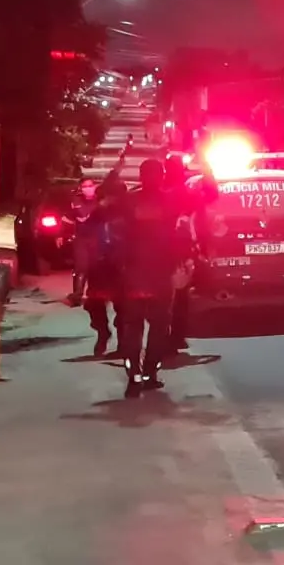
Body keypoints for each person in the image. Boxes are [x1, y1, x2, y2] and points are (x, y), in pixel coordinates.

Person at [116, 158, 184, 398]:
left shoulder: (128, 201)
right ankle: (149, 374)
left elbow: (116, 232)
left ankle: (134, 376)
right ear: (162, 176)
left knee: (132, 326)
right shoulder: (171, 200)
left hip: (134, 275)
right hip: (159, 275)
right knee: (159, 327)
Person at [164, 152, 217, 355]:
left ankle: (172, 335)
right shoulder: (187, 193)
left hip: (167, 252)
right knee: (180, 297)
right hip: (178, 252)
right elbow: (210, 196)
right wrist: (207, 170)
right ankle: (175, 336)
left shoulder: (163, 191)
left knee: (175, 296)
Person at [80, 173, 127, 356]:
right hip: (100, 265)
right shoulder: (98, 213)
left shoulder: (128, 213)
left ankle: (123, 345)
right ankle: (103, 332)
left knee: (123, 306)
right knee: (94, 303)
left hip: (121, 265)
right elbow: (85, 234)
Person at [68, 178, 99, 304]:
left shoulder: (100, 201)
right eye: (85, 186)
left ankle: (96, 295)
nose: (88, 189)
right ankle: (77, 295)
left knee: (97, 268)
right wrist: (61, 235)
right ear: (81, 188)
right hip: (81, 239)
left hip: (98, 239)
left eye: (90, 186)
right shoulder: (76, 202)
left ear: (95, 186)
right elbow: (68, 218)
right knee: (81, 267)